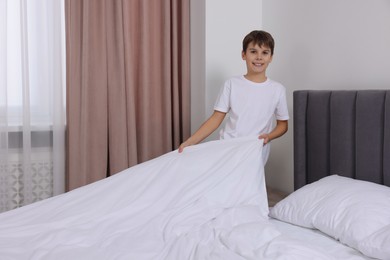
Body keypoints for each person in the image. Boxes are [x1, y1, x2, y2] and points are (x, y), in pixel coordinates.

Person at [178, 30, 289, 164]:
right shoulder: (232, 84)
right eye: (253, 52)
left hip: (255, 149)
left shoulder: (277, 90)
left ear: (271, 57)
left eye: (265, 53)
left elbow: (283, 125)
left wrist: (269, 136)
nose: (259, 57)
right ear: (243, 55)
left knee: (245, 183)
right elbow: (215, 119)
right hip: (227, 146)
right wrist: (190, 141)